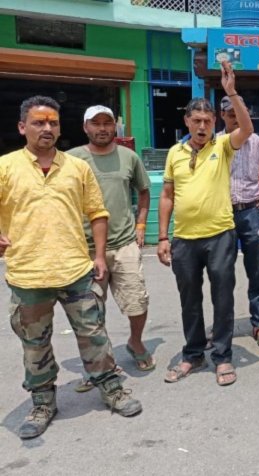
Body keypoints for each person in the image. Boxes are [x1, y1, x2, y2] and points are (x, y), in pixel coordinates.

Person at [0, 96, 142, 439]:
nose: (47, 128)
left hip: (76, 269)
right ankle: (43, 402)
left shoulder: (77, 168)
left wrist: (98, 256)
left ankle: (111, 389)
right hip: (28, 275)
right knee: (35, 344)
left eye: (53, 123)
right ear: (22, 127)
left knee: (94, 335)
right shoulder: (5, 167)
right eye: (38, 122)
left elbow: (97, 212)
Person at [158, 61, 253, 386]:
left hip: (220, 236)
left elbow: (247, 129)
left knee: (223, 297)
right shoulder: (175, 153)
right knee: (189, 299)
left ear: (215, 123)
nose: (202, 126)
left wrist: (231, 92)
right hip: (184, 239)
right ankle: (193, 353)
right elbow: (167, 195)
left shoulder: (224, 146)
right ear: (187, 121)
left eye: (207, 121)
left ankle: (223, 357)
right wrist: (162, 237)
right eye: (196, 120)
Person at [68, 105, 154, 380]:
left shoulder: (128, 157)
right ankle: (98, 363)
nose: (103, 128)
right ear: (86, 127)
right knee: (89, 312)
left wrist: (141, 225)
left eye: (108, 123)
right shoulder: (71, 160)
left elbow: (143, 192)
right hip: (86, 248)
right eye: (96, 123)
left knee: (137, 302)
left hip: (124, 242)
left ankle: (135, 342)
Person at [218, 95, 259, 348]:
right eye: (230, 113)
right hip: (221, 214)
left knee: (256, 271)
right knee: (222, 273)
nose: (235, 117)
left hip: (251, 212)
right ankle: (223, 327)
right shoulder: (214, 142)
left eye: (239, 113)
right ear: (222, 115)